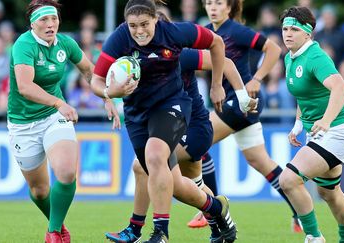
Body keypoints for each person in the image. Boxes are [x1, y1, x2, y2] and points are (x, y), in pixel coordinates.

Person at [91, 1, 237, 242]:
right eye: (133, 25)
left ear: (155, 19)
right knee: (175, 184)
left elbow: (216, 42)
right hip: (137, 115)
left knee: (154, 155)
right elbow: (96, 80)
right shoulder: (119, 38)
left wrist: (217, 84)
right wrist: (110, 92)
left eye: (144, 24)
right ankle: (215, 208)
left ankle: (159, 233)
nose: (139, 31)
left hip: (173, 105)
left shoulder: (174, 32)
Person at [104, 46, 257, 243]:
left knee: (143, 166)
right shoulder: (141, 60)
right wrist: (108, 95)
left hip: (193, 129)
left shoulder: (178, 54)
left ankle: (135, 228)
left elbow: (225, 61)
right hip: (173, 127)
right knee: (192, 186)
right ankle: (220, 223)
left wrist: (239, 95)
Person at [201, 0, 302, 233]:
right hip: (235, 104)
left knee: (196, 141)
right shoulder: (205, 32)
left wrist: (256, 79)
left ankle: (213, 208)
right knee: (260, 161)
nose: (212, 7)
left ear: (229, 7)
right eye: (208, 3)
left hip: (241, 101)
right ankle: (300, 210)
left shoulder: (236, 30)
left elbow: (274, 49)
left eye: (218, 3)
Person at [6, 1, 94, 242]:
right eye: (44, 20)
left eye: (53, 19)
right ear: (32, 23)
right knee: (39, 190)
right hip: (23, 123)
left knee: (66, 172)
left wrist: (107, 95)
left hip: (54, 118)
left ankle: (53, 233)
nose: (50, 24)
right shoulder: (24, 44)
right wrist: (59, 103)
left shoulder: (66, 43)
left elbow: (89, 71)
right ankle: (58, 226)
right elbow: (25, 87)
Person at [278, 6, 344, 243]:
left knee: (288, 179)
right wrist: (298, 124)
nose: (288, 34)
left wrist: (326, 121)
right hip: (319, 132)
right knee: (328, 192)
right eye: (285, 28)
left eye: (294, 29)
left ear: (308, 33)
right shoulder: (290, 56)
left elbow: (339, 87)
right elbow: (304, 94)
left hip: (337, 130)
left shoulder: (315, 56)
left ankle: (314, 237)